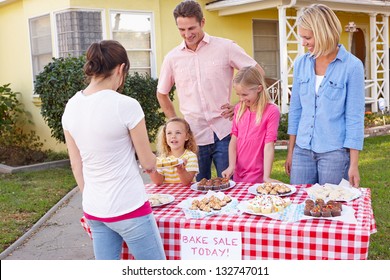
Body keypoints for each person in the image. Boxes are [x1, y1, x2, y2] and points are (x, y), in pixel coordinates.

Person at [61, 40, 166, 260]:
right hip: (129, 207)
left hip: (94, 209)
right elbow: (147, 163)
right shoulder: (126, 105)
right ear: (121, 69)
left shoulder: (71, 106)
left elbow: (75, 163)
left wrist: (90, 197)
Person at [156, 0, 265, 181]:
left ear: (203, 22)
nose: (187, 34)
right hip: (194, 136)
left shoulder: (226, 47)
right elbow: (162, 93)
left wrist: (239, 106)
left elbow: (257, 74)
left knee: (231, 187)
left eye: (191, 28)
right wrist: (176, 124)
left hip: (225, 132)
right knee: (196, 191)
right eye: (181, 30)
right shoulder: (172, 58)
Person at [284, 4, 365, 187]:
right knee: (300, 207)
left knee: (330, 208)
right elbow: (295, 110)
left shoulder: (352, 67)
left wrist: (354, 164)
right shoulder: (301, 64)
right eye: (302, 37)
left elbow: (354, 117)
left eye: (307, 37)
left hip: (334, 153)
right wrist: (291, 152)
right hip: (302, 151)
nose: (303, 43)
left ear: (323, 33)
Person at [221, 66, 280, 183]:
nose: (241, 99)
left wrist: (266, 177)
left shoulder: (271, 111)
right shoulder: (238, 109)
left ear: (259, 89)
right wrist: (231, 166)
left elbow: (269, 145)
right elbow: (234, 140)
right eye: (238, 94)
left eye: (244, 94)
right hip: (239, 174)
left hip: (258, 175)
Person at [149, 117, 199, 185]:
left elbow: (187, 182)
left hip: (186, 193)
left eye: (178, 132)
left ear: (187, 136)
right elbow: (158, 182)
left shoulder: (190, 157)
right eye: (169, 133)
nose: (173, 136)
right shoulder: (163, 158)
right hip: (167, 194)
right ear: (165, 137)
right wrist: (152, 171)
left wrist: (181, 170)